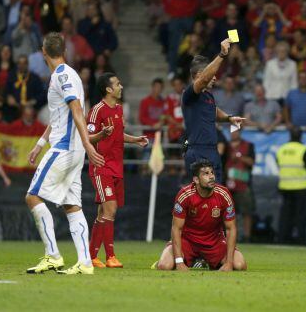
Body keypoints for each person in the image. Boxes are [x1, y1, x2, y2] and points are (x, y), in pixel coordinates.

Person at [24, 32, 104, 275]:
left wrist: (87, 143)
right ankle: (85, 262)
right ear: (65, 52)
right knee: (72, 205)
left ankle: (53, 255)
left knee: (32, 196)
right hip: (72, 148)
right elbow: (62, 114)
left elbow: (77, 109)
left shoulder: (62, 76)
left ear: (43, 52)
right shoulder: (69, 75)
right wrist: (40, 143)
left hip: (64, 148)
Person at [86, 72, 149, 268]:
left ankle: (91, 256)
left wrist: (135, 140)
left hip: (116, 168)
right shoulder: (97, 110)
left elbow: (118, 135)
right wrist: (101, 134)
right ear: (108, 89)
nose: (121, 86)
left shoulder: (119, 109)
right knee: (110, 210)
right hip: (101, 167)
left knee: (102, 213)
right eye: (118, 84)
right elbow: (88, 138)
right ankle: (110, 256)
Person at [153, 159, 247, 271]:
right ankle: (167, 261)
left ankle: (205, 262)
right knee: (164, 266)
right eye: (206, 174)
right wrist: (178, 262)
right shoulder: (185, 195)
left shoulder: (224, 194)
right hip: (187, 241)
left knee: (240, 265)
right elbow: (176, 229)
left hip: (214, 242)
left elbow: (231, 228)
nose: (211, 176)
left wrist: (229, 263)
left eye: (212, 172)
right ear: (196, 179)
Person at [181, 39, 245, 183]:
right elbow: (203, 80)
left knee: (216, 197)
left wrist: (229, 118)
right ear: (198, 75)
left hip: (212, 150)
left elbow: (213, 111)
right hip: (198, 150)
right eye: (212, 74)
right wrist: (222, 55)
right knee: (201, 198)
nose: (215, 77)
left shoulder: (208, 95)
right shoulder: (189, 94)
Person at [276, 127, 306, 245]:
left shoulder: (281, 150)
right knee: (301, 216)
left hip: (285, 187)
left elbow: (279, 165)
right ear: (301, 136)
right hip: (302, 188)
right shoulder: (303, 150)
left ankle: (283, 239)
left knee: (285, 216)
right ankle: (301, 240)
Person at [225, 130, 255, 242]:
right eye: (232, 131)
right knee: (229, 212)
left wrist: (239, 157)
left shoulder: (248, 145)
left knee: (247, 211)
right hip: (228, 184)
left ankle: (247, 236)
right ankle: (231, 236)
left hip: (243, 184)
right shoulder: (226, 146)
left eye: (236, 132)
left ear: (240, 132)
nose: (233, 134)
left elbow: (251, 162)